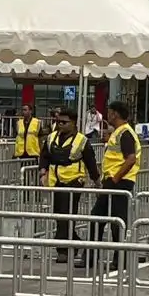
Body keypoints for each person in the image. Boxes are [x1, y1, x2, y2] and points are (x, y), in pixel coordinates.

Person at [41, 109, 100, 263]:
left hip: (74, 181)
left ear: (74, 123)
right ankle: (74, 240)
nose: (60, 125)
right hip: (55, 181)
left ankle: (64, 250)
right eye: (58, 122)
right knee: (58, 214)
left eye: (64, 122)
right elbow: (44, 156)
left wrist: (97, 183)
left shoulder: (82, 141)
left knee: (66, 214)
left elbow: (91, 163)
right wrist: (43, 172)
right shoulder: (51, 138)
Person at [87, 100, 140, 269]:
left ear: (114, 114)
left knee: (116, 221)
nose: (107, 115)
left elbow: (131, 158)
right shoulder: (119, 132)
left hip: (119, 182)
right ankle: (91, 256)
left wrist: (115, 178)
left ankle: (119, 259)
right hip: (113, 181)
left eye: (109, 112)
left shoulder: (125, 133)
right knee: (99, 218)